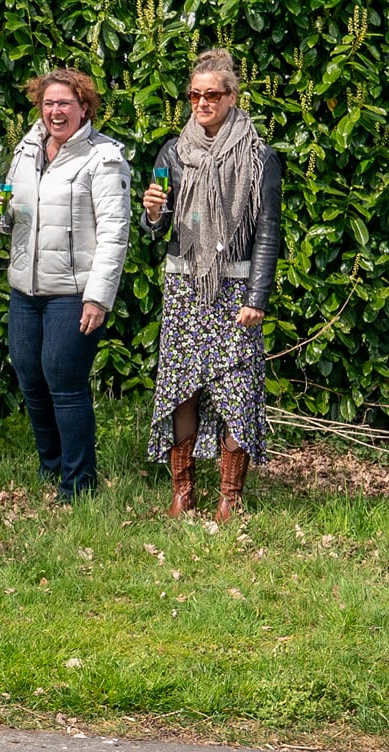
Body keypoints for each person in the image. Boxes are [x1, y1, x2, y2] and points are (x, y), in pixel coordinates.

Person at [141, 48, 282, 521]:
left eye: (212, 94)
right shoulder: (173, 152)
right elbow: (157, 229)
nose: (202, 102)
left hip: (236, 288)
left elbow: (268, 231)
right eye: (194, 95)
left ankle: (230, 497)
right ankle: (183, 491)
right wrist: (153, 212)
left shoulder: (260, 157)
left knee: (236, 390)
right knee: (183, 387)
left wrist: (257, 297)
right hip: (185, 286)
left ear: (232, 96)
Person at [0, 68, 131, 501]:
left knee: (64, 383)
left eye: (65, 103)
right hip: (25, 290)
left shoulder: (104, 158)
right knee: (31, 379)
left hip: (74, 293)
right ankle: (50, 468)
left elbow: (115, 233)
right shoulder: (27, 149)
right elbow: (13, 221)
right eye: (49, 103)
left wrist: (98, 297)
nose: (55, 111)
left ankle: (78, 483)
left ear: (84, 107)